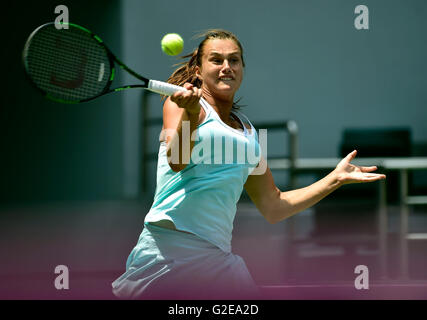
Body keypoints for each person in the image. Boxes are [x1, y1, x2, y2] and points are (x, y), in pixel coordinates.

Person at [111, 29, 386, 299]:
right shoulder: (180, 104)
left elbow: (273, 206)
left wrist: (335, 178)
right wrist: (190, 113)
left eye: (234, 60)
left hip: (217, 258)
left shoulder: (250, 133)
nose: (226, 67)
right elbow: (177, 160)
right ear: (198, 70)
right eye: (216, 60)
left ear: (242, 68)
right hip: (169, 253)